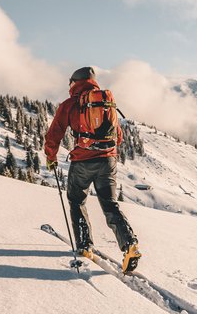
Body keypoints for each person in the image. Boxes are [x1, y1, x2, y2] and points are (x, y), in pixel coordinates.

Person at [45, 66, 141, 273]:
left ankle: (84, 245)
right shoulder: (106, 103)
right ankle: (130, 244)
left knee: (77, 201)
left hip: (83, 162)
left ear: (74, 82)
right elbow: (119, 137)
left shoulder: (70, 104)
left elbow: (54, 134)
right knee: (110, 205)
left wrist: (50, 157)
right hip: (108, 161)